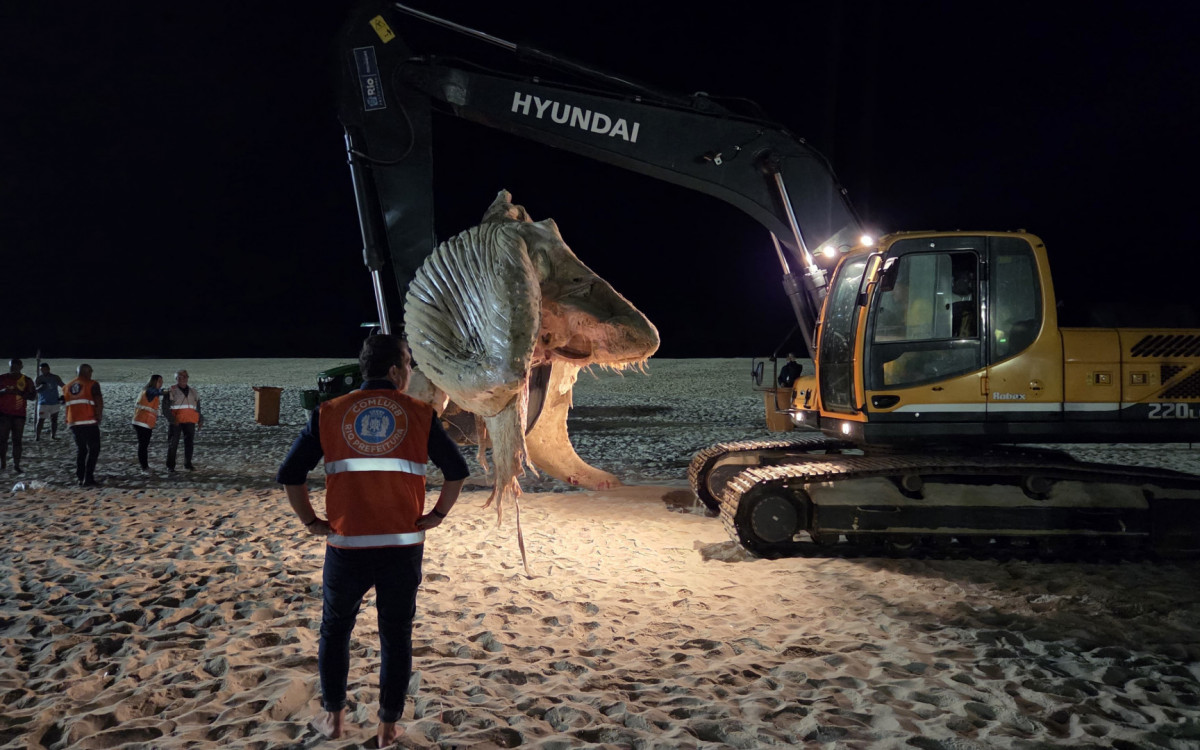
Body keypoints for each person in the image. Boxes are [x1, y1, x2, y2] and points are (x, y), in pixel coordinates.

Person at [276, 334, 468, 745]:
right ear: (397, 371)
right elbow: (457, 471)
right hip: (402, 545)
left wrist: (311, 521)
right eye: (410, 368)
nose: (410, 375)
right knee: (395, 634)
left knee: (335, 630)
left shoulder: (330, 412)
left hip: (347, 546)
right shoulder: (420, 412)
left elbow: (291, 474)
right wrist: (436, 515)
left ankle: (333, 720)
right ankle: (386, 727)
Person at [64, 364, 103, 486]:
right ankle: (88, 477)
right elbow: (98, 401)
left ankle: (80, 476)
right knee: (94, 449)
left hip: (73, 421)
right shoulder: (92, 384)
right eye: (90, 371)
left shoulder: (68, 386)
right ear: (87, 372)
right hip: (88, 420)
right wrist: (98, 415)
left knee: (81, 449)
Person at [0, 358, 37, 474]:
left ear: (21, 367)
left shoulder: (26, 380)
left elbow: (32, 396)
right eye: (12, 367)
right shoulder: (2, 378)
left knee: (17, 440)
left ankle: (16, 464)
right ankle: (3, 463)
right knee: (2, 440)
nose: (14, 369)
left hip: (19, 414)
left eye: (16, 367)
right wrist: (3, 391)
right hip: (3, 413)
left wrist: (20, 393)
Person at [163, 369, 202, 471]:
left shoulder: (194, 391)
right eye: (180, 377)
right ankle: (170, 466)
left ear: (188, 378)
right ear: (176, 379)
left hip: (190, 420)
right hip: (176, 421)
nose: (183, 379)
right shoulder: (170, 390)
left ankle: (188, 464)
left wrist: (200, 419)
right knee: (173, 443)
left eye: (185, 376)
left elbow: (198, 407)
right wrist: (171, 419)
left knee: (189, 443)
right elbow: (165, 407)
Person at [132, 374, 165, 471]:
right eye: (159, 381)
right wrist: (169, 392)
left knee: (143, 445)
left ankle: (145, 466)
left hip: (142, 421)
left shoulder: (146, 390)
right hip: (143, 421)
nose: (161, 383)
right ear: (153, 381)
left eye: (162, 381)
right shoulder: (150, 390)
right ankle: (144, 467)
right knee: (143, 445)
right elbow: (158, 392)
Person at [34, 363, 65, 441]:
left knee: (54, 419)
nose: (43, 371)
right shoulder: (39, 378)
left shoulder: (55, 377)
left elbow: (63, 386)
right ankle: (37, 437)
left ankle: (53, 436)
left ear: (48, 369)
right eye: (41, 370)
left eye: (44, 369)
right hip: (43, 402)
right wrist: (40, 387)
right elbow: (35, 390)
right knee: (41, 420)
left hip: (54, 402)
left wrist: (64, 396)